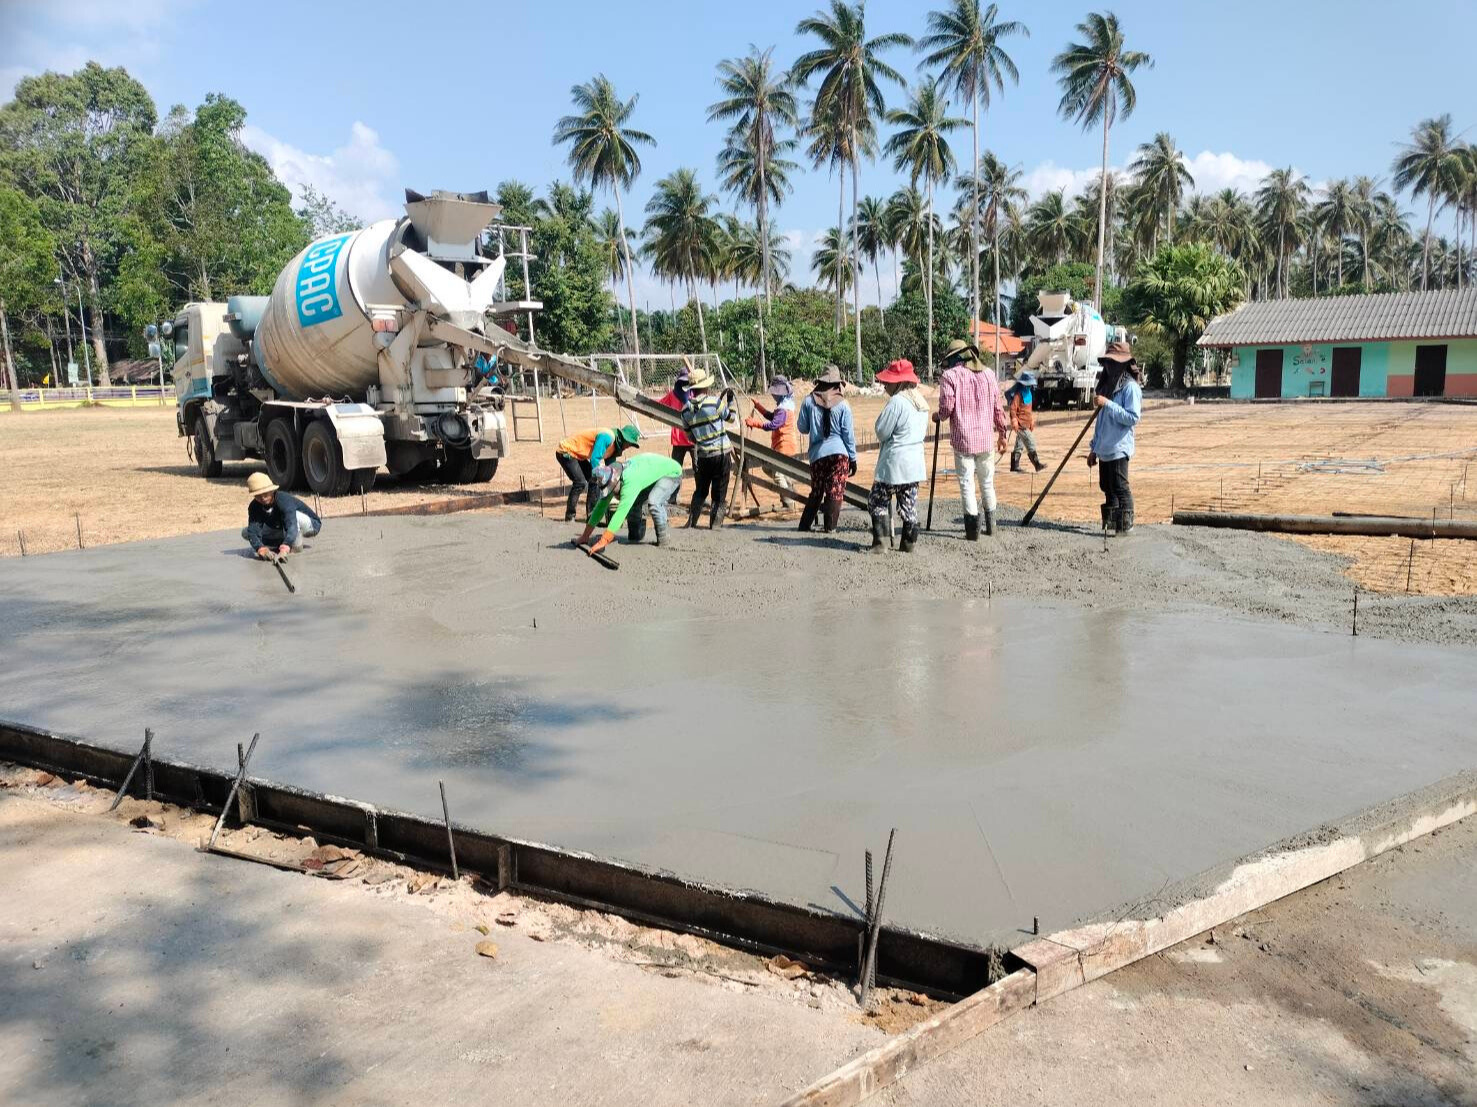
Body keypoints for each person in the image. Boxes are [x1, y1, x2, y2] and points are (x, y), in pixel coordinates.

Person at [933, 338, 1009, 540]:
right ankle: (991, 527)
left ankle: (972, 531)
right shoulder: (989, 374)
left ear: (955, 358)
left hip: (963, 440)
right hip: (985, 440)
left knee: (967, 483)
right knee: (987, 482)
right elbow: (998, 408)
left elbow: (947, 408)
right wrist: (1003, 433)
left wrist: (938, 416)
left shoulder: (950, 376)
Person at [867, 359, 929, 553]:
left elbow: (882, 431)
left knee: (877, 500)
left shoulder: (897, 402)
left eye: (889, 381)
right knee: (908, 505)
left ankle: (881, 544)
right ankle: (908, 544)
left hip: (894, 463)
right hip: (915, 464)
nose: (885, 385)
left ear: (900, 382)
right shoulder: (922, 402)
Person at [573, 453, 684, 555]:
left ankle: (663, 539)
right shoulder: (612, 474)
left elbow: (621, 512)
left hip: (672, 472)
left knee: (654, 502)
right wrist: (585, 536)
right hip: (649, 472)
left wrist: (604, 540)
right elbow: (600, 507)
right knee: (634, 503)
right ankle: (636, 535)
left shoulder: (629, 482)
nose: (612, 493)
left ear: (615, 482)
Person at [1087, 341, 1143, 536]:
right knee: (1107, 487)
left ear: (1123, 364)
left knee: (1120, 487)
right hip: (1105, 448)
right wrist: (1094, 448)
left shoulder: (1129, 388)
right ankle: (1111, 528)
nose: (1109, 367)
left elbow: (1132, 417)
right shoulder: (1107, 387)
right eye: (1107, 363)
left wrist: (1108, 404)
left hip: (1119, 447)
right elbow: (1100, 422)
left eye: (1113, 363)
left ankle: (1125, 529)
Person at [795, 365, 857, 534]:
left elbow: (802, 428)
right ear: (838, 384)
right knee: (835, 490)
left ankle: (804, 525)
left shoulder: (808, 401)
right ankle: (830, 527)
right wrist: (853, 458)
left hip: (817, 455)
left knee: (817, 489)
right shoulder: (844, 405)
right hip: (839, 454)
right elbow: (848, 435)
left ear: (819, 383)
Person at [680, 368, 736, 528]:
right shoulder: (715, 403)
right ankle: (715, 526)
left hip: (703, 456)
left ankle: (691, 523)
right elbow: (731, 418)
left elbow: (690, 437)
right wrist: (730, 402)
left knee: (701, 490)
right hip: (721, 454)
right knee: (719, 492)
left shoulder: (685, 411)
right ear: (705, 386)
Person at [554, 424, 641, 522]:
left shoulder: (615, 447)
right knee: (580, 483)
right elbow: (595, 459)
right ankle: (570, 517)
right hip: (566, 451)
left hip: (578, 455)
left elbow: (611, 470)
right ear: (624, 438)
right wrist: (601, 478)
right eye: (629, 443)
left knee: (594, 481)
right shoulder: (607, 437)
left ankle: (592, 517)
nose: (629, 446)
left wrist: (615, 484)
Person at [745, 375, 799, 507]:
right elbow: (771, 416)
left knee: (778, 475)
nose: (773, 396)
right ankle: (790, 491)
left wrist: (755, 423)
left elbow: (773, 425)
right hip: (784, 445)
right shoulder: (785, 405)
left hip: (784, 446)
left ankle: (788, 502)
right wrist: (759, 407)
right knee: (769, 469)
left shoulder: (783, 409)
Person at [242, 471, 321, 559]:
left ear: (272, 491)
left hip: (310, 525)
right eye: (258, 496)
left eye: (265, 494)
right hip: (281, 526)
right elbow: (253, 531)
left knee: (295, 516)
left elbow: (291, 524)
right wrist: (260, 549)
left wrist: (284, 548)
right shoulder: (254, 506)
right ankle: (284, 541)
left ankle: (295, 545)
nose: (263, 498)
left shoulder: (283, 500)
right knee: (246, 532)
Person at [657, 362, 696, 505]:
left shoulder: (694, 394)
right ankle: (673, 497)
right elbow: (659, 405)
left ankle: (698, 497)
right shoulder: (673, 395)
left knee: (698, 469)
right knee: (674, 470)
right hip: (679, 440)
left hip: (693, 440)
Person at [1004, 371, 1046, 473]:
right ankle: (1037, 465)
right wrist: (1014, 420)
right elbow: (1013, 409)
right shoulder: (1018, 395)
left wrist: (1031, 421)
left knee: (1019, 444)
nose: (1029, 386)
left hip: (1026, 423)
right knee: (1030, 442)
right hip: (1020, 424)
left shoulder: (1029, 394)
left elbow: (1029, 410)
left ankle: (1014, 466)